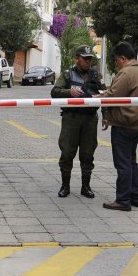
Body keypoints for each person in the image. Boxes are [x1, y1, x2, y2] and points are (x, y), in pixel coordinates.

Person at [100, 41, 138, 211]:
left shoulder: (126, 73)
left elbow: (113, 96)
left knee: (123, 163)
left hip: (125, 124)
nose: (116, 63)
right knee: (131, 161)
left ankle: (123, 200)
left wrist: (100, 96)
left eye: (116, 60)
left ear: (122, 58)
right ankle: (136, 197)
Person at [51, 45, 104, 198]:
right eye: (85, 58)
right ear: (77, 58)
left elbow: (105, 95)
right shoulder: (67, 75)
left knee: (88, 154)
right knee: (67, 152)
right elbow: (55, 92)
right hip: (71, 119)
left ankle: (86, 186)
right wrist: (70, 92)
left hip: (90, 119)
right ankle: (65, 185)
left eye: (90, 59)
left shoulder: (96, 76)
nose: (88, 61)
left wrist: (106, 115)